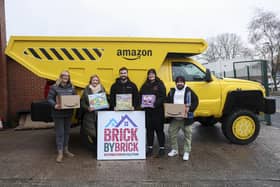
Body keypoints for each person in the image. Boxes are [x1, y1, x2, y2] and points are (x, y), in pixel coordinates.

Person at [166, 76, 199, 161]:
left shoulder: (189, 91)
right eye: (178, 82)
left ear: (184, 83)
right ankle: (175, 150)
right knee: (171, 133)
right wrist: (168, 110)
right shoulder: (172, 91)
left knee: (188, 136)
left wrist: (190, 109)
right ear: (175, 83)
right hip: (175, 118)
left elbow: (196, 101)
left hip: (186, 119)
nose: (179, 83)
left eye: (181, 82)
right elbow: (167, 101)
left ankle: (186, 152)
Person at [47, 70, 76, 163]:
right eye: (64, 75)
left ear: (69, 78)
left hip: (68, 113)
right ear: (60, 77)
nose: (65, 77)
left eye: (67, 76)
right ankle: (60, 153)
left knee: (67, 132)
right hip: (58, 113)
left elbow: (75, 98)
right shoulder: (54, 87)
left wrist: (75, 103)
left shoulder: (72, 87)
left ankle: (66, 150)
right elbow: (49, 99)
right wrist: (55, 105)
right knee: (60, 133)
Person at [140, 69, 166, 157]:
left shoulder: (160, 84)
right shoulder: (144, 85)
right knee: (149, 130)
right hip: (148, 112)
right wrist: (141, 103)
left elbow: (163, 96)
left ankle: (162, 148)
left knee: (159, 130)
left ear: (155, 75)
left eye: (152, 74)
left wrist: (156, 103)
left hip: (158, 111)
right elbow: (141, 95)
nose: (151, 75)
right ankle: (150, 148)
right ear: (148, 75)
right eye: (149, 74)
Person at [80, 75, 107, 151]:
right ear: (90, 81)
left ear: (98, 81)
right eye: (93, 80)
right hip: (90, 115)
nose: (95, 82)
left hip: (100, 115)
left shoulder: (102, 89)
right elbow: (82, 102)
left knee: (100, 132)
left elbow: (105, 101)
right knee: (92, 134)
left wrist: (105, 105)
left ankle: (99, 151)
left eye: (96, 80)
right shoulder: (86, 89)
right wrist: (87, 108)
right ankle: (95, 149)